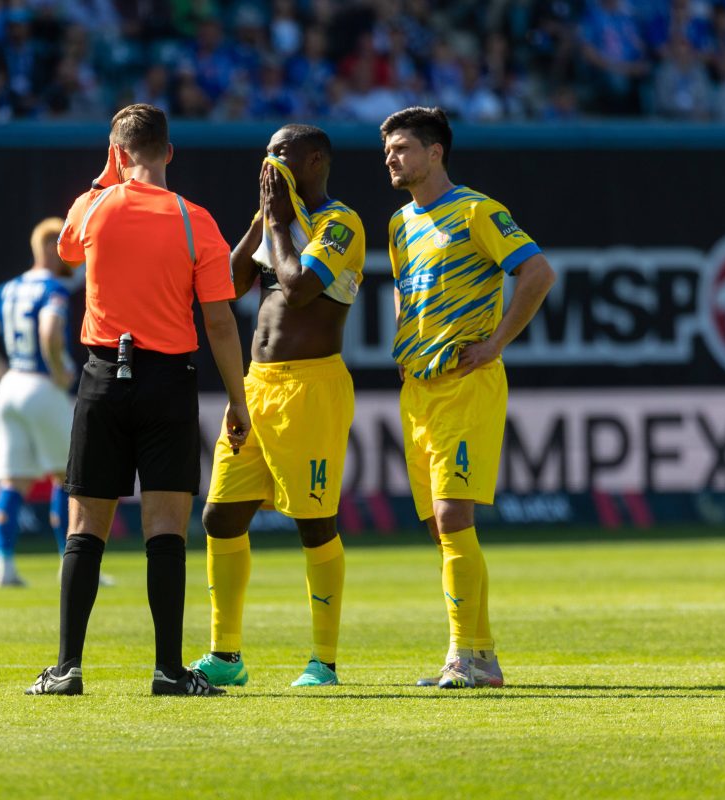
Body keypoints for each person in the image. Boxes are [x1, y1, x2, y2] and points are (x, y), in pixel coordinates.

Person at [25, 103, 250, 698]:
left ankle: (67, 669)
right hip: (169, 381)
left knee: (85, 529)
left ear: (117, 153)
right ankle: (169, 671)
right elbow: (221, 323)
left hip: (102, 378)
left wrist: (107, 176)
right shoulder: (194, 220)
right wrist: (239, 400)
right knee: (166, 530)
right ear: (170, 152)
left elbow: (68, 249)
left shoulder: (94, 205)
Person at [380, 106, 556, 689]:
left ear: (435, 152)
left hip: (465, 382)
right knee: (439, 526)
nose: (391, 158)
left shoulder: (478, 210)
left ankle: (463, 656)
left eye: (402, 148)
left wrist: (497, 342)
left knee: (455, 516)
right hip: (418, 387)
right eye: (388, 150)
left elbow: (537, 273)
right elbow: (408, 292)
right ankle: (483, 657)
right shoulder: (400, 224)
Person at [189, 124, 366, 689]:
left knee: (313, 522)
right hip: (258, 385)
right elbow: (229, 283)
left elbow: (297, 288)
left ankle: (324, 660)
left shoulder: (341, 224)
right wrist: (258, 220)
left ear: (314, 161)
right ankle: (226, 655)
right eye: (268, 151)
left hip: (312, 388)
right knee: (221, 513)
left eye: (283, 151)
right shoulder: (276, 222)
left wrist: (276, 222)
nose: (271, 159)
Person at [0, 217, 77, 588]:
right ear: (50, 247)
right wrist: (58, 368)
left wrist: (5, 374)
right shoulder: (53, 290)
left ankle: (4, 569)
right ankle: (69, 565)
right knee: (68, 477)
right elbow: (50, 331)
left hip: (10, 388)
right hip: (41, 386)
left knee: (14, 482)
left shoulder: (9, 289)